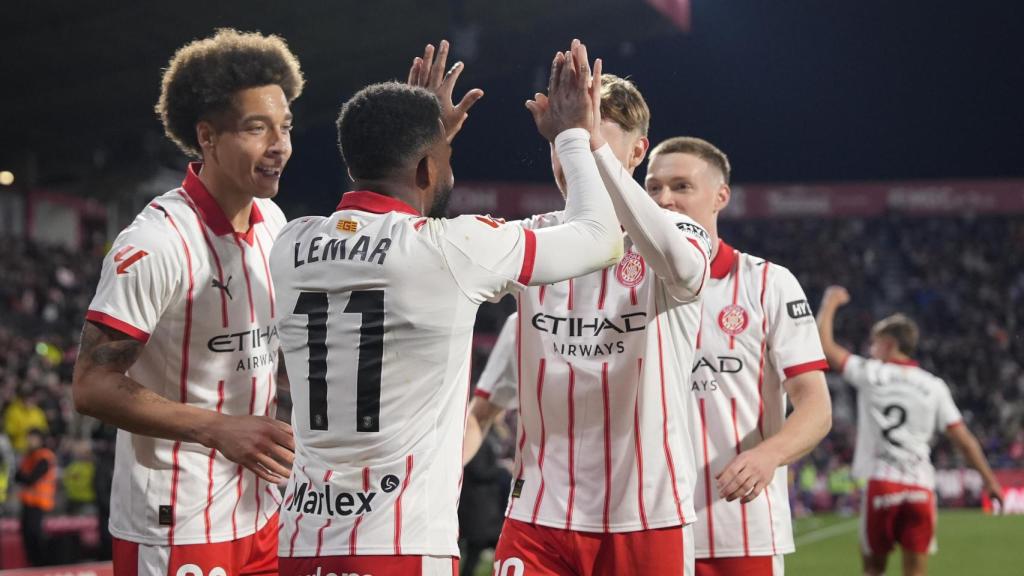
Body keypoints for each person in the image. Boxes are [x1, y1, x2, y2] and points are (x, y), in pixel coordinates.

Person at [272, 40, 622, 576]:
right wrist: (573, 136)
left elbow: (382, 220)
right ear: (425, 168)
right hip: (401, 544)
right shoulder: (451, 249)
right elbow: (601, 237)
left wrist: (422, 138)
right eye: (447, 159)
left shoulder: (290, 244)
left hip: (300, 540)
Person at [72, 29, 303, 575]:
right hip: (175, 521)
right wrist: (218, 427)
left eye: (285, 126)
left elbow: (264, 351)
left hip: (260, 509)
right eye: (256, 128)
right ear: (207, 137)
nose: (280, 145)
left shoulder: (274, 222)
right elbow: (91, 385)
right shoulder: (154, 243)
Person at [467, 70, 711, 574]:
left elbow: (685, 274)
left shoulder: (678, 232)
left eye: (587, 138)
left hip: (647, 515)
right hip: (539, 515)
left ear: (636, 152)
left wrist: (588, 145)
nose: (567, 158)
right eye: (561, 143)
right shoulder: (533, 237)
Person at [643, 137, 833, 576]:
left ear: (721, 196)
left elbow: (816, 407)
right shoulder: (626, 286)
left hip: (738, 528)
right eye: (653, 188)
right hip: (643, 525)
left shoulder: (766, 284)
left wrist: (769, 455)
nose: (664, 199)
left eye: (681, 186)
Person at [816, 285, 1004, 576]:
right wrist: (989, 481)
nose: (871, 349)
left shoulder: (871, 373)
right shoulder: (933, 386)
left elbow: (825, 347)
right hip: (920, 488)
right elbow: (964, 441)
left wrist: (830, 303)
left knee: (873, 571)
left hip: (882, 484)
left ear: (890, 345)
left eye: (875, 343)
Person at [15, 428, 56, 566]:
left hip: (39, 503)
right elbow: (17, 476)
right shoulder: (29, 456)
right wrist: (23, 477)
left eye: (32, 438)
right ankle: (33, 565)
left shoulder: (44, 456)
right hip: (27, 502)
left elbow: (29, 478)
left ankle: (41, 565)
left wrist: (24, 477)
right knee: (26, 534)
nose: (30, 441)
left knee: (34, 535)